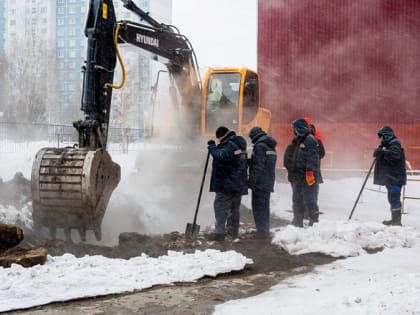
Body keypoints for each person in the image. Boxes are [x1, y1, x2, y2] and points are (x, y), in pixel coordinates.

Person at [207, 126, 248, 241]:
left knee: (220, 207)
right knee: (234, 209)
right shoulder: (239, 144)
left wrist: (212, 147)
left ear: (221, 136)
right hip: (238, 183)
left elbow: (221, 156)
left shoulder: (230, 145)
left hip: (227, 184)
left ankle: (219, 233)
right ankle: (232, 233)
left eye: (218, 139)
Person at [283, 118, 321, 227]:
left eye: (294, 128)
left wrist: (309, 172)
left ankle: (314, 222)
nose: (293, 131)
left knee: (310, 199)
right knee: (297, 199)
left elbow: (312, 158)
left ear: (298, 129)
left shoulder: (310, 140)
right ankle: (297, 221)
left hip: (307, 176)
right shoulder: (299, 141)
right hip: (298, 176)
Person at [373, 126, 406, 226]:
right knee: (392, 198)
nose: (382, 139)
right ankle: (394, 219)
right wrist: (380, 151)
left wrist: (382, 152)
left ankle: (397, 222)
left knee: (394, 197)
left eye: (383, 136)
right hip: (391, 177)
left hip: (395, 177)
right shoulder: (389, 144)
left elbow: (395, 155)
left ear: (387, 135)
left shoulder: (395, 143)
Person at [248, 126, 277, 239]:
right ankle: (264, 230)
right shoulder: (270, 146)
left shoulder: (259, 146)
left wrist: (252, 181)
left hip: (260, 183)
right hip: (268, 181)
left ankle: (262, 232)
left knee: (258, 207)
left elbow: (258, 166)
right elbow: (265, 163)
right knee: (264, 207)